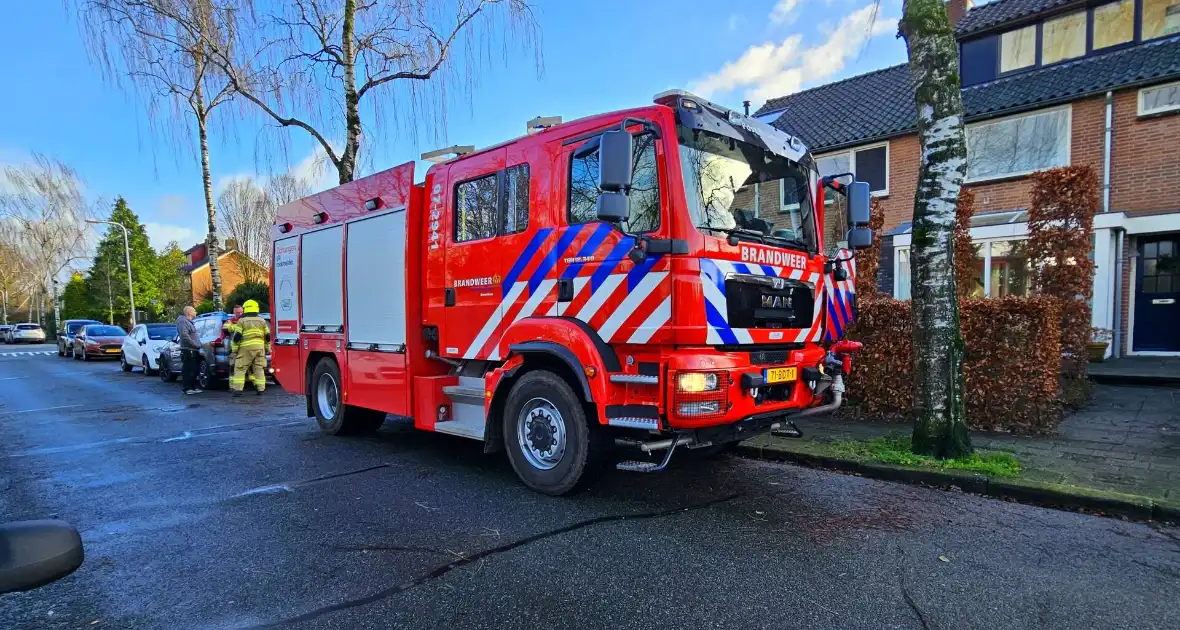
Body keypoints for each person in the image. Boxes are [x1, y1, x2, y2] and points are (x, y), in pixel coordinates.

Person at [230, 300, 270, 397]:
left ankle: (238, 390)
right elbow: (268, 336)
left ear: (245, 309)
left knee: (240, 368)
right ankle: (261, 389)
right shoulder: (262, 320)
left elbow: (237, 337)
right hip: (260, 348)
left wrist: (234, 351)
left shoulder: (242, 321)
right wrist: (268, 348)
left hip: (246, 348)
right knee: (259, 368)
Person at [175, 306, 202, 395]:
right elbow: (185, 336)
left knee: (194, 369)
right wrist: (195, 345)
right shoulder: (183, 322)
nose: (196, 313)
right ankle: (187, 388)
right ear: (189, 313)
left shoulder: (188, 322)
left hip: (193, 349)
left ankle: (192, 387)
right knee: (189, 369)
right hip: (188, 349)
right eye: (194, 311)